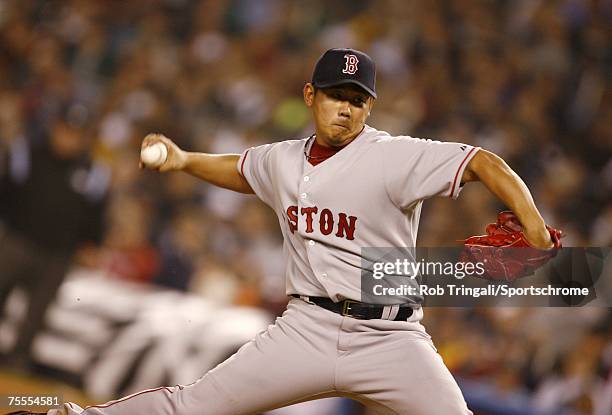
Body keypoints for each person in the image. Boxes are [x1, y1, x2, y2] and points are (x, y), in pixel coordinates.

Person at [15, 47, 555, 415]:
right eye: (334, 94)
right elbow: (240, 170)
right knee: (195, 406)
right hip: (307, 329)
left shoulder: (395, 157)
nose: (344, 108)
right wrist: (183, 160)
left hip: (392, 337)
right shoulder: (281, 160)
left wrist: (530, 221)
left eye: (356, 99)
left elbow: (485, 162)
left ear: (370, 107)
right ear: (309, 96)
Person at [0, 104, 107, 373]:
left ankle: (16, 366)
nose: (68, 137)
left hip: (58, 255)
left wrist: (92, 244)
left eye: (75, 133)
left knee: (36, 315)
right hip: (17, 241)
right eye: (64, 130)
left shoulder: (93, 172)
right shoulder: (26, 153)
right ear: (54, 127)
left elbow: (96, 215)